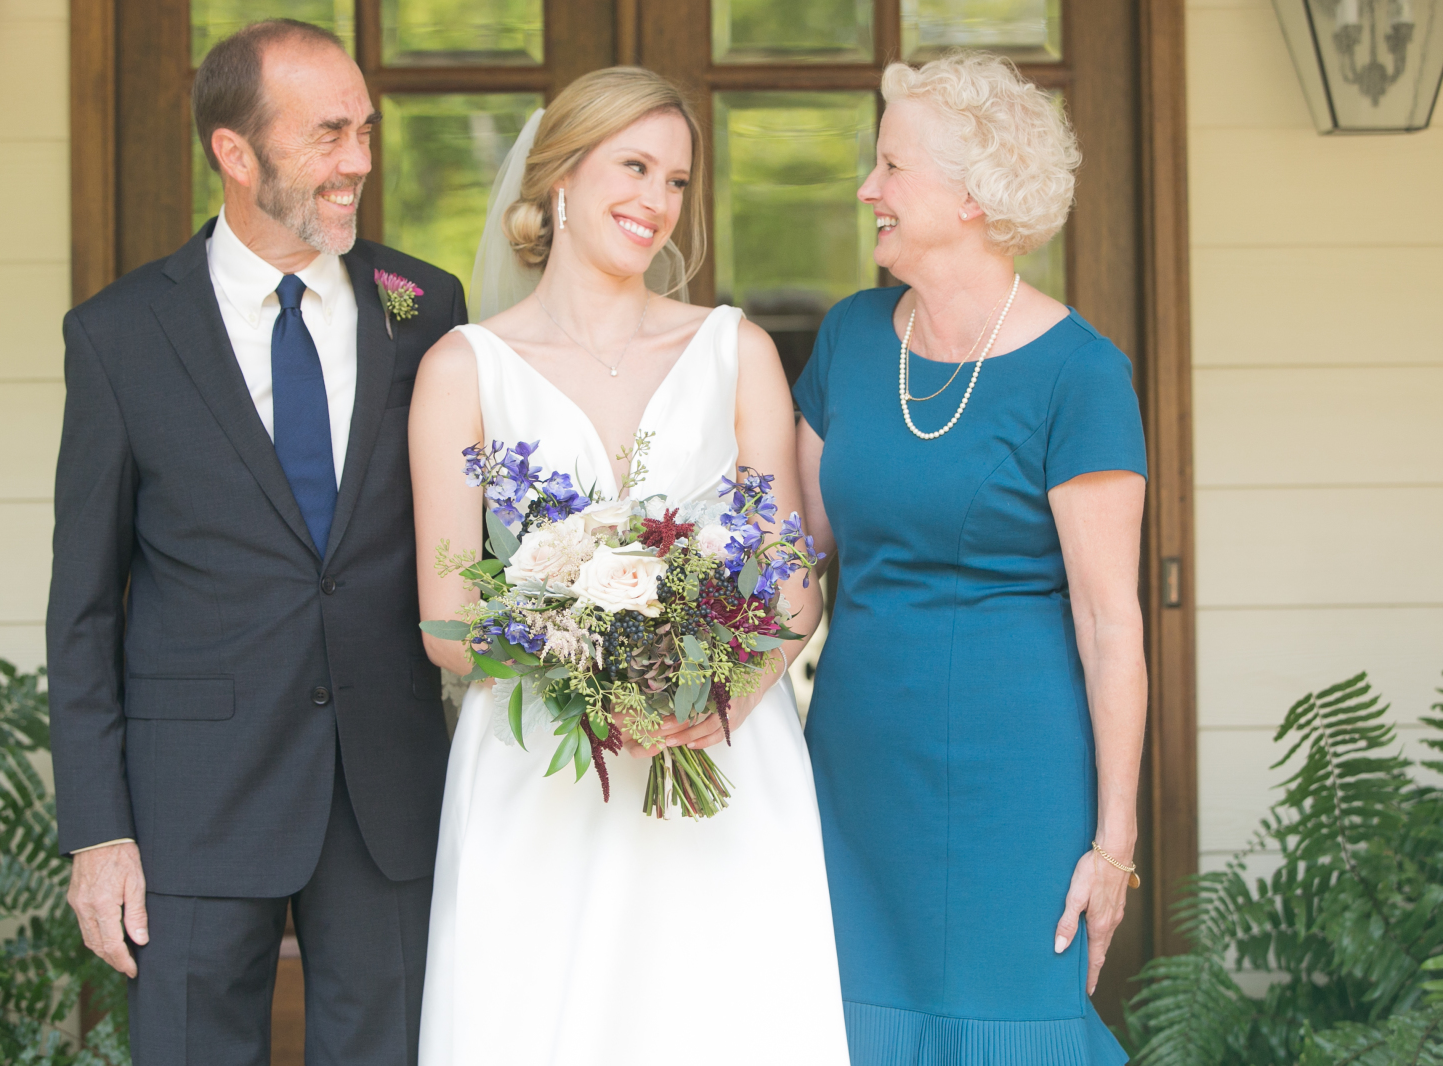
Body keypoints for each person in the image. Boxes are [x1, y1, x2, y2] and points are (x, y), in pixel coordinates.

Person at [409, 67, 850, 1065]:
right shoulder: (461, 370)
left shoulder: (735, 350)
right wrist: (590, 667)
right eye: (635, 167)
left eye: (678, 180)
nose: (658, 200)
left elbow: (790, 589)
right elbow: (447, 622)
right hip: (542, 775)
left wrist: (721, 693)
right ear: (559, 175)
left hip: (724, 757)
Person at [48, 20, 465, 1065]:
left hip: (386, 789)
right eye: (328, 135)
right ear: (234, 153)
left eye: (365, 130)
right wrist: (98, 831)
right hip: (193, 800)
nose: (359, 161)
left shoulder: (425, 307)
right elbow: (84, 605)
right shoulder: (117, 335)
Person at [794, 52, 1147, 1065]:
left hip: (1017, 775)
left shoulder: (1080, 373)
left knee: (1012, 1022)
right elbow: (789, 564)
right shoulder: (851, 338)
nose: (868, 189)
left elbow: (1109, 622)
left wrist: (1113, 843)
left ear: (973, 198)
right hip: (858, 763)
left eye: (892, 167)